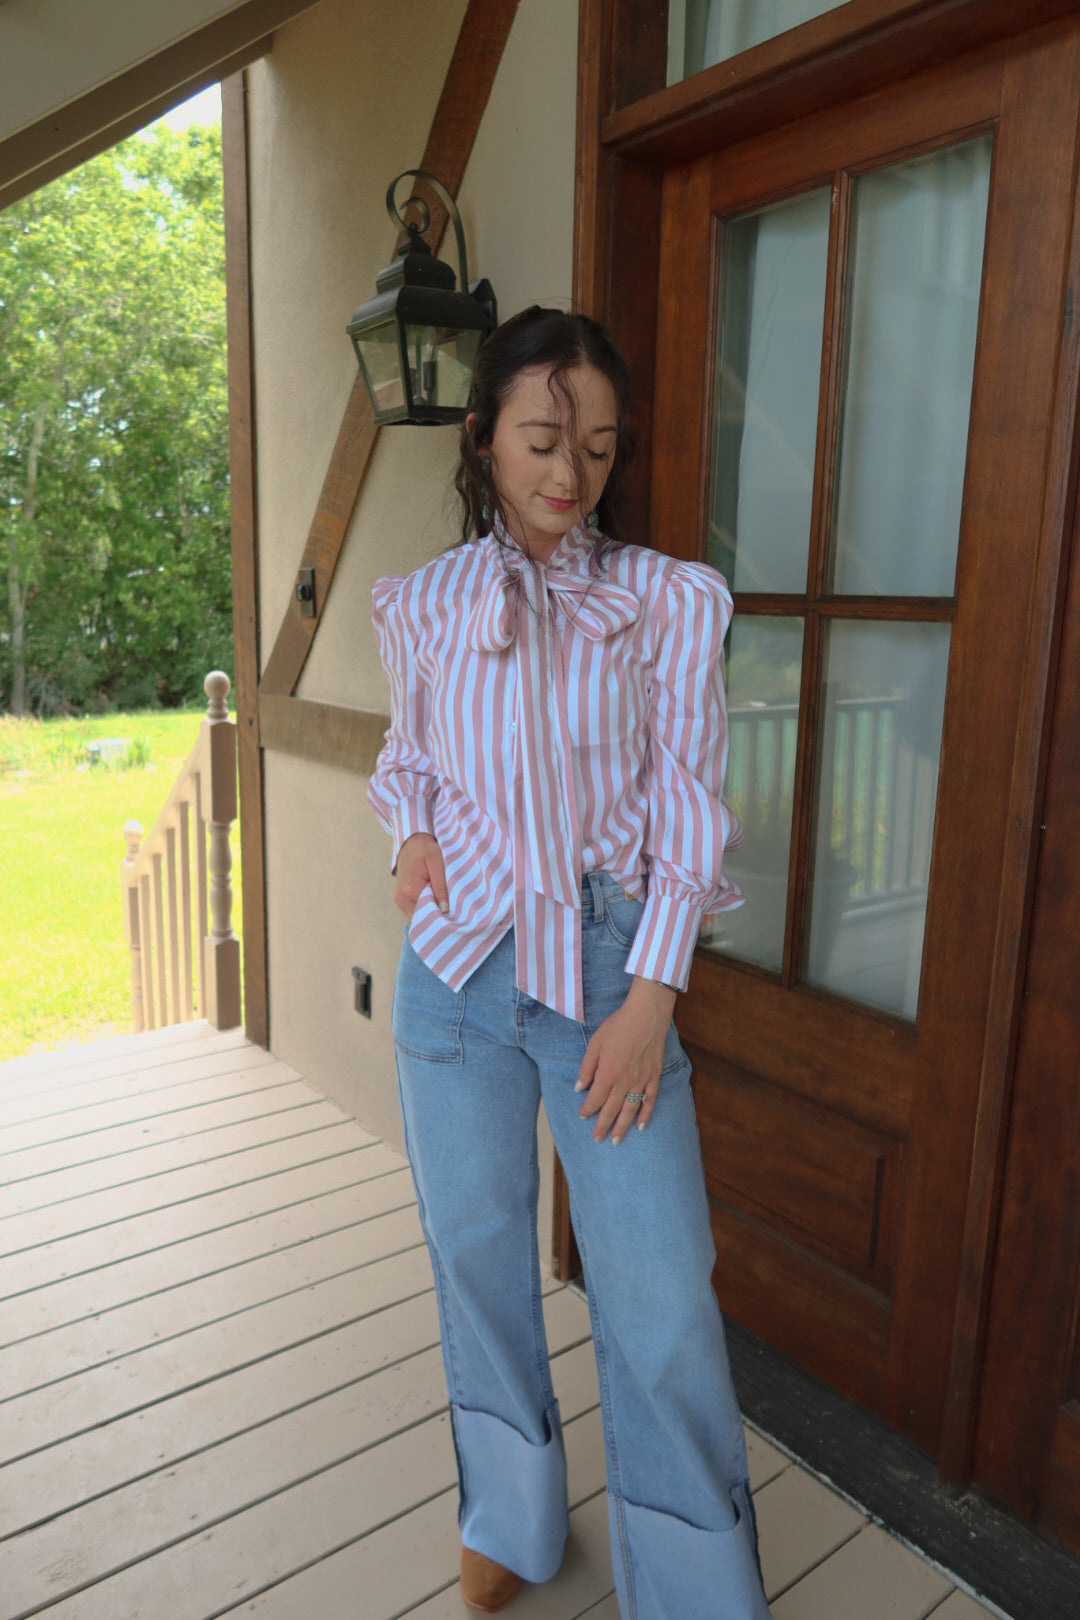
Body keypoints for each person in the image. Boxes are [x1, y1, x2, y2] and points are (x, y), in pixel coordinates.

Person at [368, 306, 771, 1620]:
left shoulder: (666, 602)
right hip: (456, 978)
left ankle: (696, 1593)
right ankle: (510, 1516)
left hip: (609, 976)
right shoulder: (422, 605)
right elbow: (409, 755)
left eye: (596, 448)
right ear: (485, 435)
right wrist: (412, 833)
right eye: (544, 440)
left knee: (660, 1296)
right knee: (475, 1257)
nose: (570, 473)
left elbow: (690, 810)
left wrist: (652, 999)